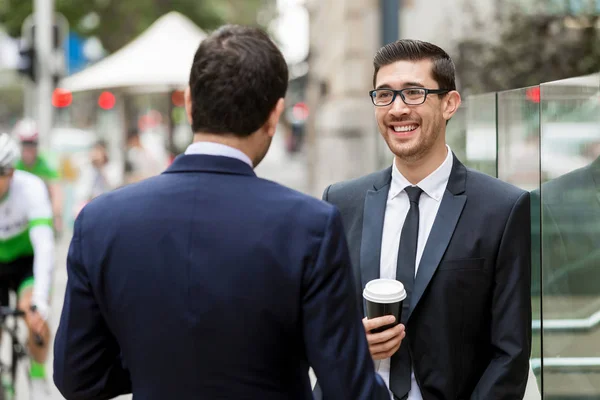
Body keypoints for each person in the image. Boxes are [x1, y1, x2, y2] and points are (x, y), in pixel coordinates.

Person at [53, 25, 391, 400]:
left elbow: (78, 376)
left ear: (190, 102)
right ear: (274, 115)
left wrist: (154, 361)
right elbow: (351, 389)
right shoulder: (310, 226)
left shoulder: (101, 221)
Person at [320, 39, 532, 399]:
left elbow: (509, 354)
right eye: (384, 95)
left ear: (449, 103)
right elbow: (321, 326)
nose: (397, 109)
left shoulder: (503, 208)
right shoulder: (341, 202)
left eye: (414, 93)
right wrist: (353, 344)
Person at [0, 133, 55, 399]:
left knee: (35, 317)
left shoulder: (31, 187)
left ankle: (36, 371)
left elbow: (44, 247)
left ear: (11, 172)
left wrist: (40, 301)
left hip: (25, 262)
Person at [12, 119, 64, 235]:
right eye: (25, 144)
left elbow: (56, 192)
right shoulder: (13, 165)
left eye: (32, 144)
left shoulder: (47, 165)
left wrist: (57, 216)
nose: (28, 149)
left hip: (40, 215)